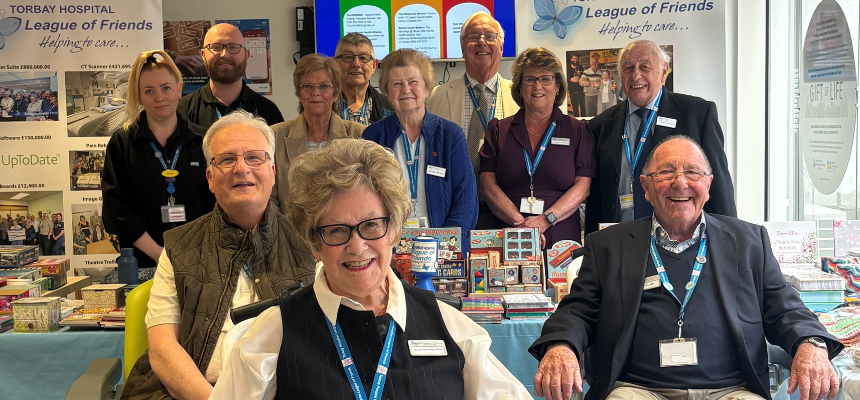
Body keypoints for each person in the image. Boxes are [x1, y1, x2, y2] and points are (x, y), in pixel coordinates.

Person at [209, 138, 531, 399]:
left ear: (394, 230)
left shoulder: (451, 328)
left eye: (372, 225)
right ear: (314, 244)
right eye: (336, 230)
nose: (357, 246)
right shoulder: (273, 335)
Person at [529, 136, 842, 400]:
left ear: (708, 184)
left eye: (692, 172)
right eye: (665, 172)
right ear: (646, 187)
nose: (680, 182)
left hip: (730, 390)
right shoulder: (608, 245)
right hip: (639, 390)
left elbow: (785, 308)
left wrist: (810, 344)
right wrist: (561, 345)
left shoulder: (749, 241)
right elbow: (578, 309)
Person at [122, 111, 317, 400]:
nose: (241, 168)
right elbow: (163, 349)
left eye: (254, 157)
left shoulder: (311, 242)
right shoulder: (179, 247)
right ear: (210, 179)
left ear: (273, 172)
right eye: (227, 159)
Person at [584, 40, 736, 234]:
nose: (636, 75)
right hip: (619, 242)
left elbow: (718, 186)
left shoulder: (697, 114)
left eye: (645, 67)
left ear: (664, 71)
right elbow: (596, 197)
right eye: (628, 68)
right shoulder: (600, 125)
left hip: (682, 240)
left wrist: (729, 241)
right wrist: (590, 247)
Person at [102, 50, 216, 272]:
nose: (159, 97)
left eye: (166, 88)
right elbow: (117, 211)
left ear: (179, 88)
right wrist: (159, 255)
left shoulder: (203, 141)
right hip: (143, 264)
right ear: (139, 96)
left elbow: (216, 204)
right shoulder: (123, 143)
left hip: (200, 263)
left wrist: (197, 255)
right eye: (149, 91)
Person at [479, 48, 594, 248]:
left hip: (560, 237)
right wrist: (522, 225)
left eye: (546, 79)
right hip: (509, 234)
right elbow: (488, 185)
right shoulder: (498, 130)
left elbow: (582, 187)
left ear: (558, 86)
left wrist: (543, 221)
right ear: (520, 88)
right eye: (530, 79)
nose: (537, 86)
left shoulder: (578, 130)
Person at [363, 49, 477, 248]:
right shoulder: (373, 137)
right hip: (390, 248)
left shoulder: (451, 135)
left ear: (426, 88)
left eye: (413, 82)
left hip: (443, 250)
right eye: (396, 83)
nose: (406, 89)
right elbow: (366, 200)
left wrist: (445, 246)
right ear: (387, 92)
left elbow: (466, 199)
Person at [426, 12, 519, 177]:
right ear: (462, 48)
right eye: (474, 36)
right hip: (454, 197)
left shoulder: (519, 96)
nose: (482, 42)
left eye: (490, 36)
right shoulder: (435, 96)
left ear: (502, 48)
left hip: (506, 197)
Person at [270, 54, 365, 214]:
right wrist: (283, 235)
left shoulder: (358, 135)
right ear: (299, 93)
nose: (315, 92)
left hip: (343, 232)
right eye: (307, 86)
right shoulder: (275, 135)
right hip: (289, 234)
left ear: (335, 94)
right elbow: (269, 197)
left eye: (324, 86)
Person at [178, 23, 284, 129]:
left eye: (233, 47)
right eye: (216, 47)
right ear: (203, 55)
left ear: (246, 55)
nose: (224, 54)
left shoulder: (268, 111)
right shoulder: (182, 111)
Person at [334, 32, 393, 125]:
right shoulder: (321, 105)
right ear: (335, 64)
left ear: (374, 65)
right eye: (348, 57)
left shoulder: (390, 109)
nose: (356, 64)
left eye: (363, 58)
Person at [578, 53, 602, 117]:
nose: (594, 64)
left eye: (595, 63)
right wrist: (583, 83)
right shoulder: (586, 72)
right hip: (588, 95)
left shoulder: (600, 73)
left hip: (597, 95)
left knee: (596, 113)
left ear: (597, 64)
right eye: (593, 63)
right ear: (590, 64)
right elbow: (580, 81)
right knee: (588, 113)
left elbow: (601, 83)